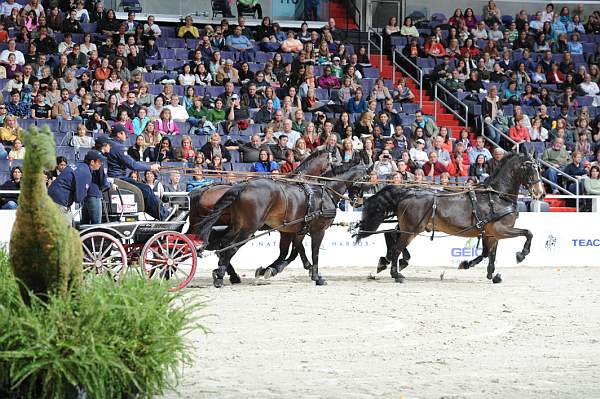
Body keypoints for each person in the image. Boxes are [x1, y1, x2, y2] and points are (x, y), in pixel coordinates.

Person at [105, 124, 168, 220]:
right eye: (124, 133)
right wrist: (151, 167)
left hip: (114, 178)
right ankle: (163, 215)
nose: (127, 136)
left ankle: (160, 213)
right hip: (118, 179)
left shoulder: (109, 144)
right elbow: (133, 165)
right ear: (119, 134)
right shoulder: (118, 147)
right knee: (146, 189)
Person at [47, 150, 105, 220]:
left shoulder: (78, 164)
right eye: (99, 162)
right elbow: (79, 198)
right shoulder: (85, 172)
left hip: (51, 197)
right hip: (59, 202)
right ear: (92, 162)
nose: (101, 164)